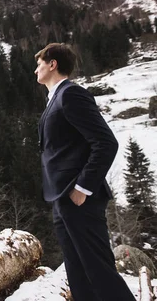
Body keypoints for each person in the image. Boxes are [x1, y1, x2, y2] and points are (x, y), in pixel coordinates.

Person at [35, 43, 134, 300]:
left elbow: (105, 142)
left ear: (53, 64)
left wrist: (82, 188)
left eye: (39, 63)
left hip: (79, 197)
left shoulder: (71, 94)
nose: (36, 69)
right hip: (61, 198)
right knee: (78, 273)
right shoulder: (54, 99)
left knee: (98, 271)